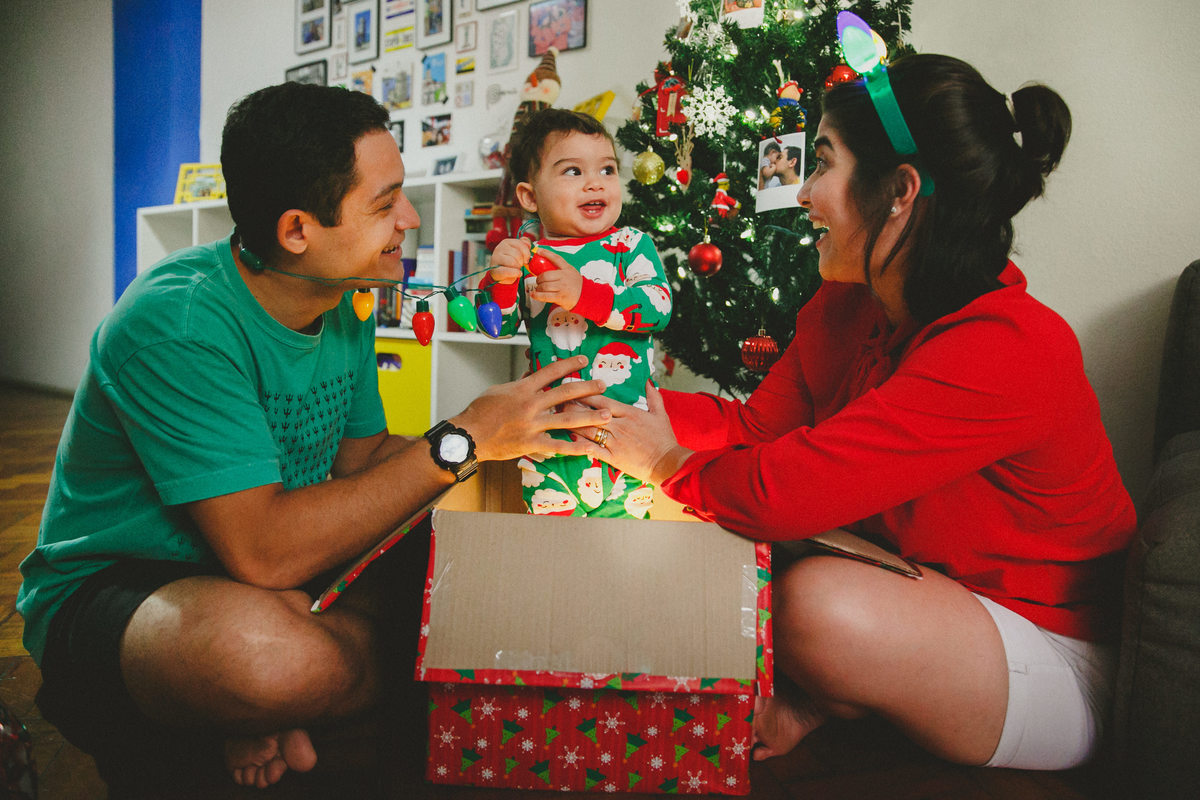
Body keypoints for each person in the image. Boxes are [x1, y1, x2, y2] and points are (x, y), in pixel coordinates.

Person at [17, 82, 610, 790]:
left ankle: (289, 703)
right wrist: (464, 439)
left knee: (482, 547)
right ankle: (319, 690)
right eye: (384, 203)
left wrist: (514, 465)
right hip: (128, 585)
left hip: (280, 567)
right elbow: (266, 551)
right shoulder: (176, 325)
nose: (410, 220)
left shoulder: (343, 298)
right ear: (297, 230)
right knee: (265, 658)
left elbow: (362, 461)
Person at [577, 51, 1137, 772]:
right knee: (735, 536)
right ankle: (839, 696)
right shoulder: (846, 305)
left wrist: (662, 462)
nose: (803, 193)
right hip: (931, 599)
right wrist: (603, 400)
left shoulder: (1010, 347)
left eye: (824, 164)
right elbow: (753, 432)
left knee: (814, 602)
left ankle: (838, 692)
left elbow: (784, 493)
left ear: (898, 191)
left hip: (1055, 648)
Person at [483, 108, 672, 519]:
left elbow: (658, 307)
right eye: (572, 171)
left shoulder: (630, 244)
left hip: (625, 432)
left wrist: (585, 294)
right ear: (530, 197)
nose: (594, 183)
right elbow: (498, 325)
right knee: (552, 548)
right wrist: (500, 277)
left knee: (625, 546)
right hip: (548, 436)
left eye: (607, 170)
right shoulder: (527, 252)